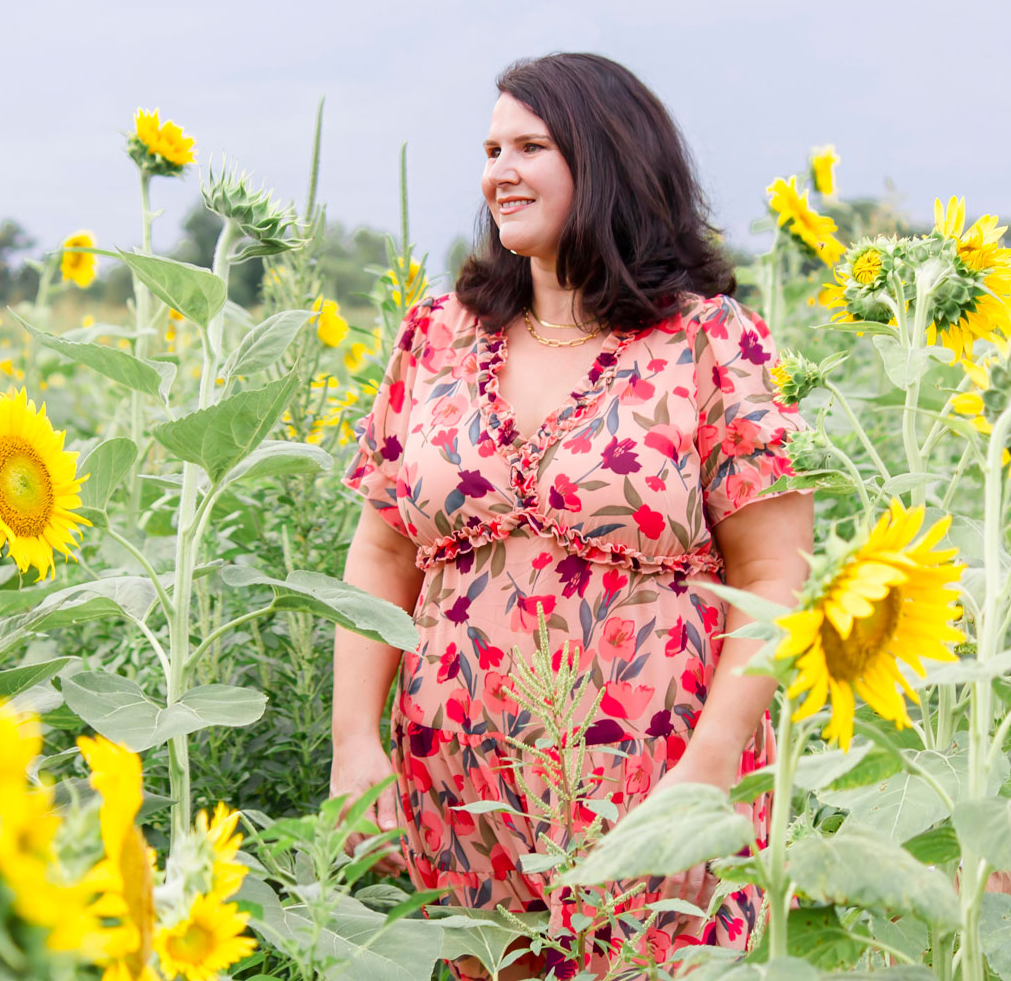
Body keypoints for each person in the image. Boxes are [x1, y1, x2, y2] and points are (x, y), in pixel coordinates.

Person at [332, 52, 813, 979]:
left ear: (608, 159)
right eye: (490, 148)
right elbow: (383, 550)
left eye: (530, 145)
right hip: (458, 789)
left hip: (656, 781)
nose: (497, 170)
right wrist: (356, 741)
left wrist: (709, 769)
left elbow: (774, 578)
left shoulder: (708, 342)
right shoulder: (436, 336)